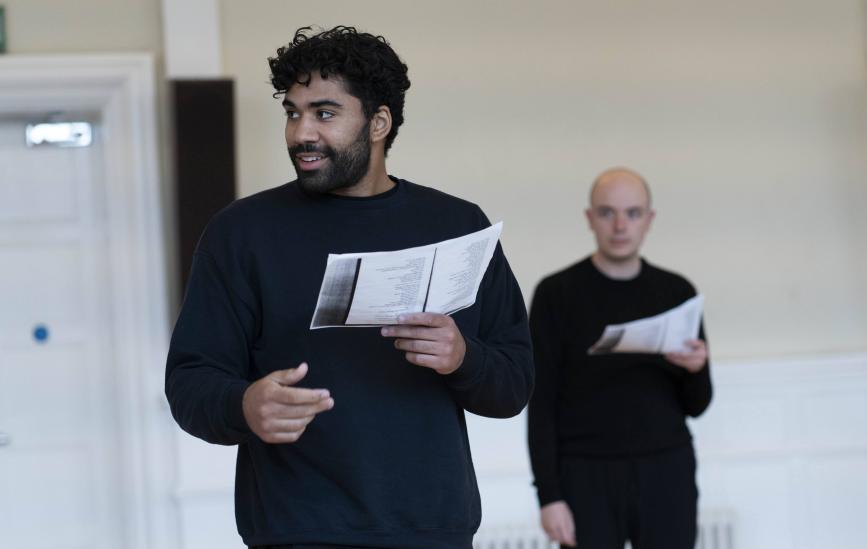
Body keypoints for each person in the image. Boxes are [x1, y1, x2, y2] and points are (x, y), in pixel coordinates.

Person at [165, 25, 534, 549]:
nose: (301, 133)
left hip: (433, 530)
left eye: (325, 113)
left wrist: (462, 357)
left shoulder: (458, 226)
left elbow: (514, 384)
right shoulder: (241, 233)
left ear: (378, 122)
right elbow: (190, 380)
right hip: (297, 531)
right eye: (292, 113)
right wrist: (243, 405)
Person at [527, 168, 712, 549]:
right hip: (584, 476)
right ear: (590, 218)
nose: (620, 225)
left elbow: (698, 404)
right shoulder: (556, 294)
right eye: (607, 212)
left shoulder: (677, 292)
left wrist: (698, 369)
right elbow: (541, 403)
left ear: (649, 220)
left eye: (633, 212)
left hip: (667, 471)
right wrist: (549, 496)